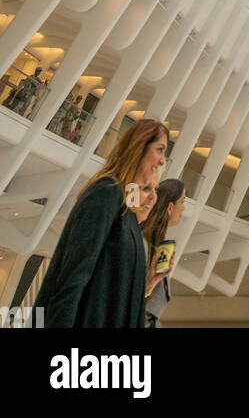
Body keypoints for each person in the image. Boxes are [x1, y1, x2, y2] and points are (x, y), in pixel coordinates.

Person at [34, 117, 168, 327]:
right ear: (140, 147)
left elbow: (114, 290)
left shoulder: (128, 214)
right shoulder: (106, 192)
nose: (162, 161)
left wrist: (148, 282)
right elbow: (73, 277)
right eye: (159, 149)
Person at [141, 178, 185, 328]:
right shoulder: (144, 244)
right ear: (170, 207)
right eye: (182, 202)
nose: (183, 208)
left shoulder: (156, 244)